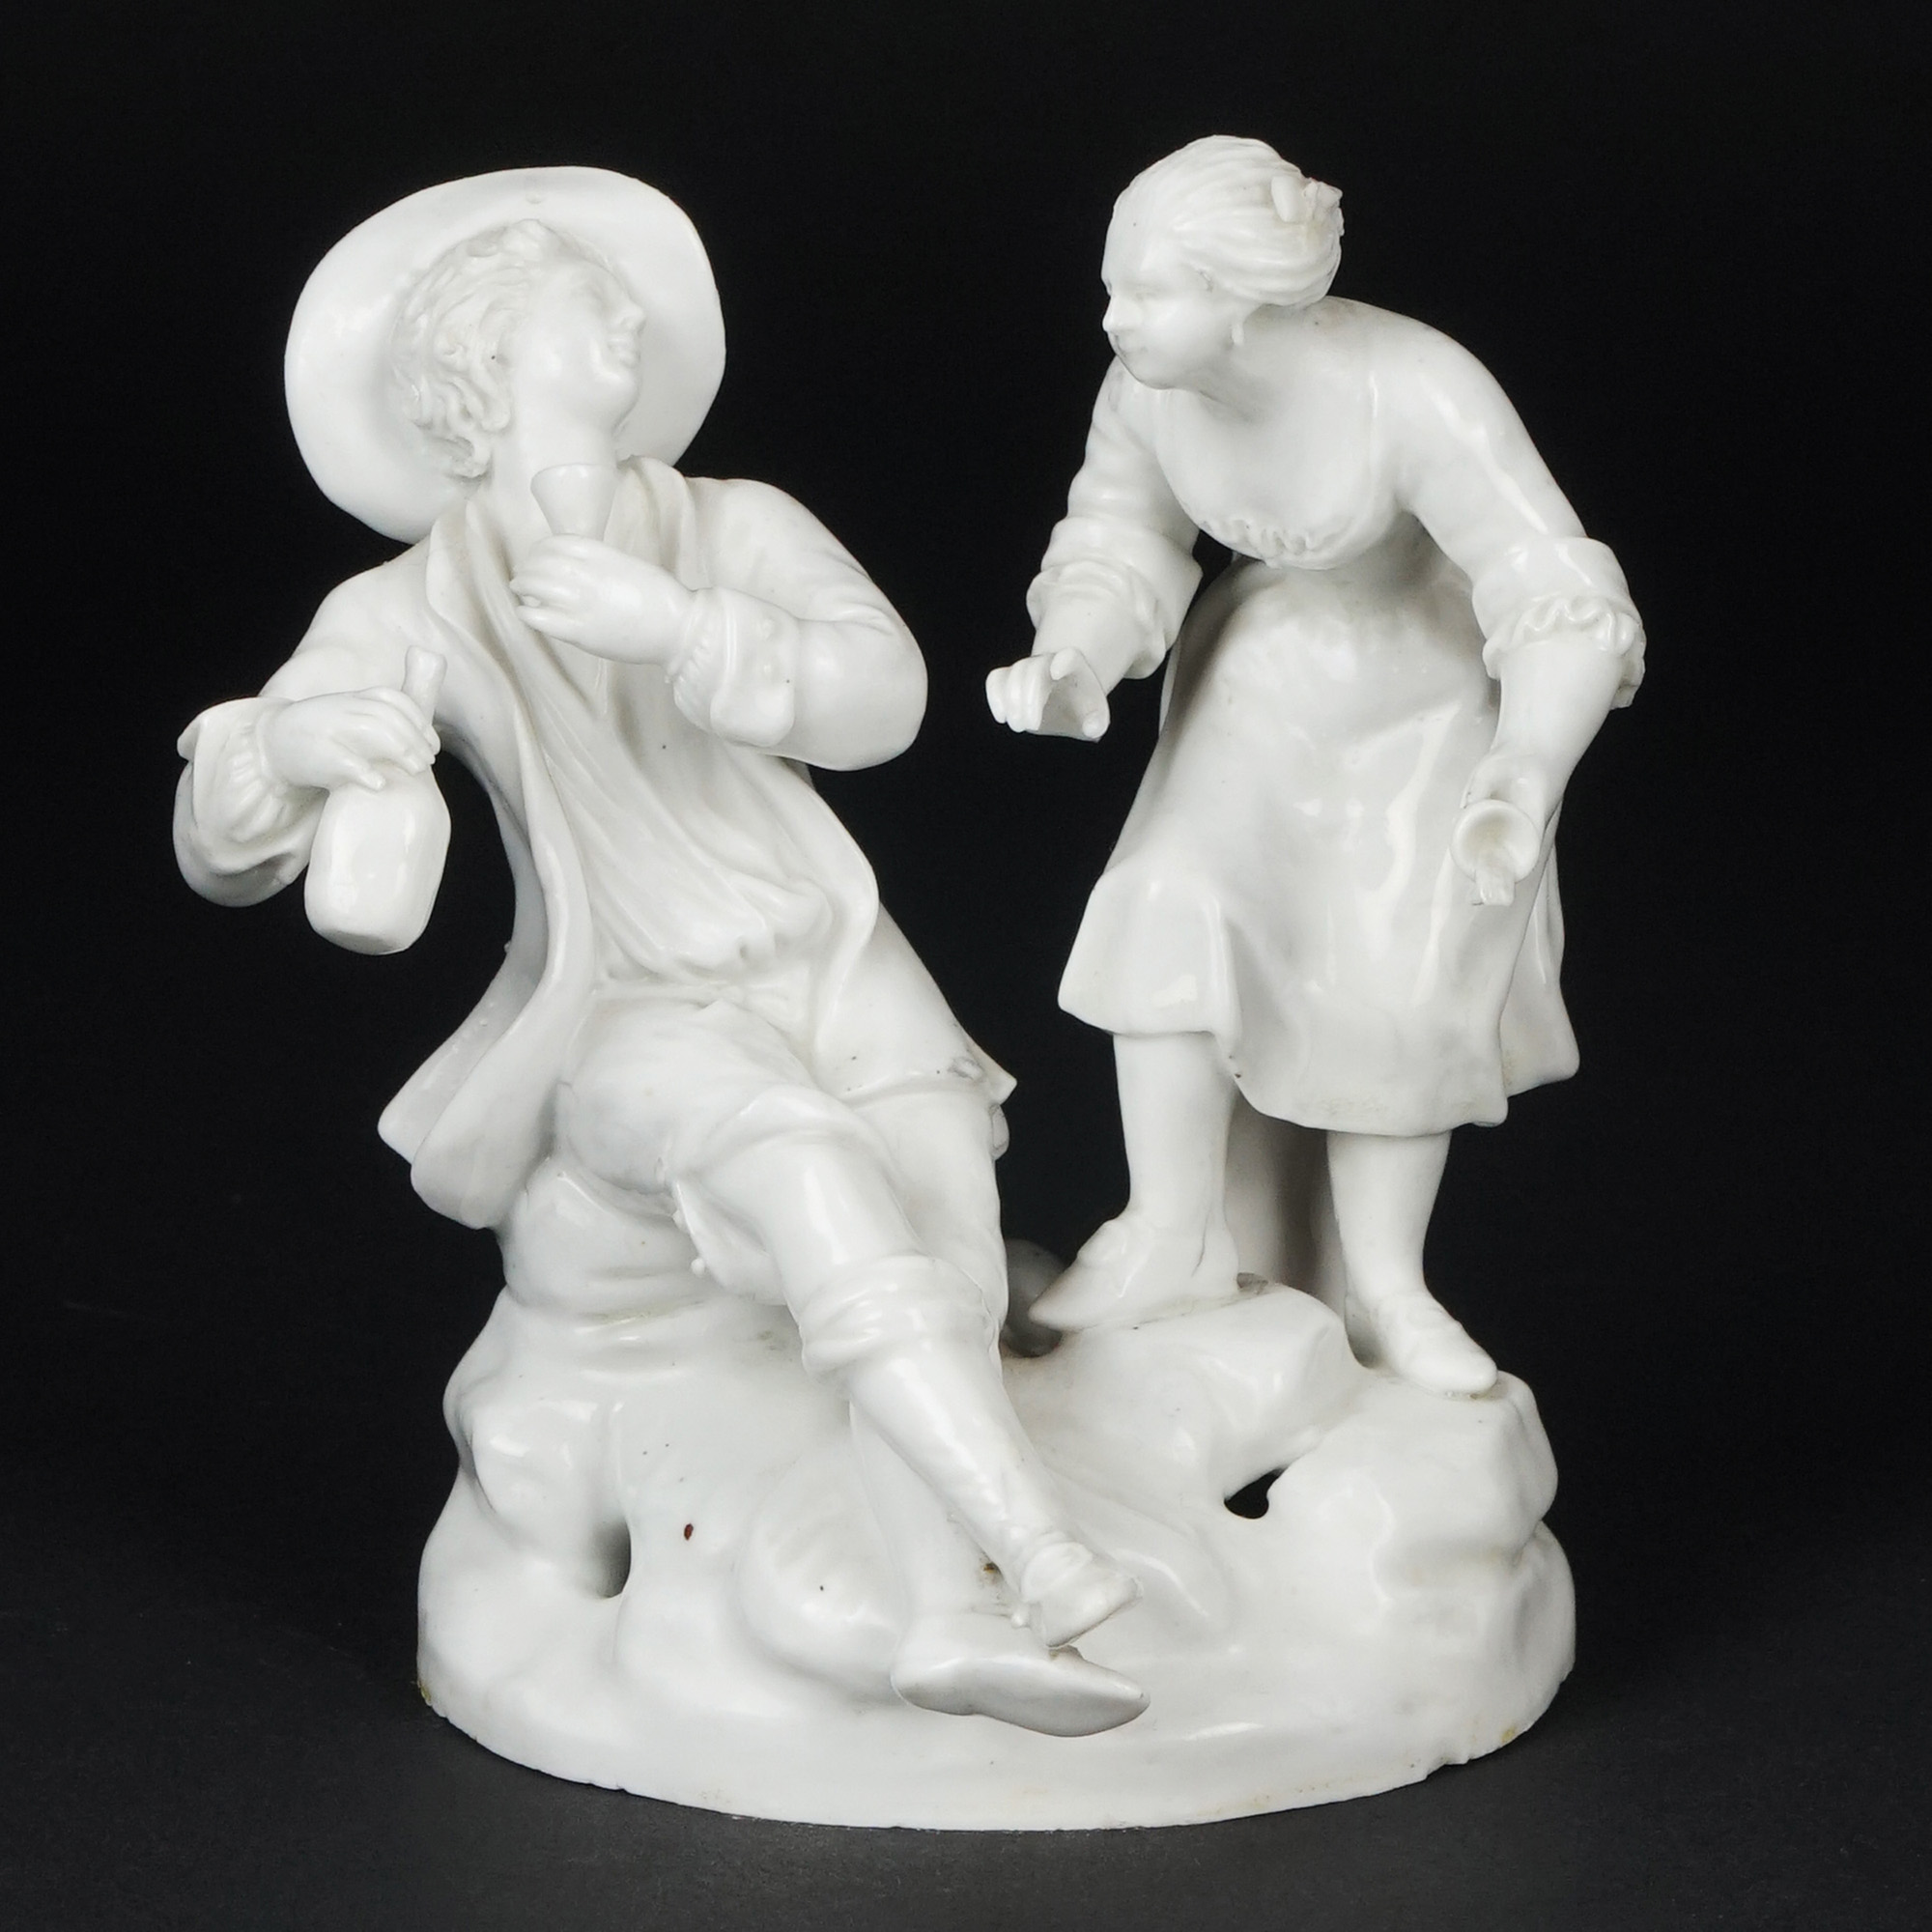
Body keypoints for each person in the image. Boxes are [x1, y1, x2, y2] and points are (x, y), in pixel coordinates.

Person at [177, 169, 1142, 1736]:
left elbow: (886, 698)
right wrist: (292, 742)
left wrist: (683, 628)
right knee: (807, 1173)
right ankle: (1037, 1558)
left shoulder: (732, 526)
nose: (628, 317)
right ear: (487, 352)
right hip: (633, 1006)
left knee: (955, 1270)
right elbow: (223, 839)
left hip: (841, 967)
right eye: (590, 294)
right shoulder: (408, 601)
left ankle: (948, 1625)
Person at [987, 137, 1643, 1397]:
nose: (1116, 319)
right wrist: (1073, 655)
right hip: (1266, 672)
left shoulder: (1415, 386)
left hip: (1429, 697)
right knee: (1164, 907)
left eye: (1149, 293)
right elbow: (1117, 536)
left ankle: (1387, 1287)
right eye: (1113, 287)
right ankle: (1169, 1228)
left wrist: (1528, 760)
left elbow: (1549, 586)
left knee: (1399, 984)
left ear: (1243, 300)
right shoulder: (1149, 390)